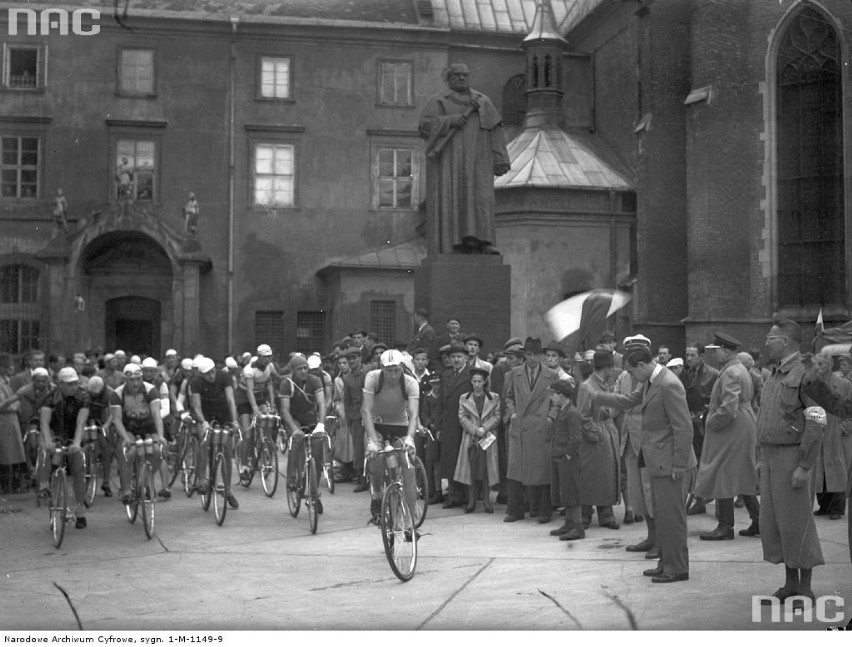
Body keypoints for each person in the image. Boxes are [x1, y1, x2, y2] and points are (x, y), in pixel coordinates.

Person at [594, 345, 696, 584]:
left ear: (641, 365)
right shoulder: (651, 380)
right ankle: (666, 563)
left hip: (670, 463)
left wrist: (679, 465)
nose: (631, 377)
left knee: (672, 518)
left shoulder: (669, 384)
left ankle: (677, 568)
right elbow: (630, 399)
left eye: (632, 372)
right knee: (662, 515)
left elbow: (683, 428)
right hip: (657, 460)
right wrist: (597, 395)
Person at [750, 320, 826, 601]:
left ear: (786, 341)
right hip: (771, 458)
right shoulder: (774, 373)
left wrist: (805, 466)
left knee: (798, 522)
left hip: (792, 458)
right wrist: (761, 457)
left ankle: (805, 587)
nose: (767, 342)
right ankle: (790, 582)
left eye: (771, 337)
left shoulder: (806, 373)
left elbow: (817, 420)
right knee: (776, 524)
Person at [419, 62, 510, 254]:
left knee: (482, 197)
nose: (461, 78)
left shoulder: (482, 101)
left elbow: (495, 130)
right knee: (454, 197)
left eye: (465, 75)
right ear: (448, 78)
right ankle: (456, 243)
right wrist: (448, 120)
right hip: (451, 162)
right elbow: (424, 126)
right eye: (457, 75)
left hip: (479, 160)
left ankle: (485, 242)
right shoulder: (439, 100)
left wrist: (500, 157)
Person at [692, 332, 759, 541]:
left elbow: (729, 407)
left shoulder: (730, 372)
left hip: (731, 427)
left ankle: (725, 526)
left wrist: (712, 422)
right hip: (741, 424)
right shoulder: (739, 368)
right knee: (740, 473)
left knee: (723, 472)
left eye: (717, 350)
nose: (715, 354)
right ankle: (759, 521)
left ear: (726, 351)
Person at [502, 337, 558, 523]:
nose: (531, 358)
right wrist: (513, 413)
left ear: (541, 356)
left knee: (543, 470)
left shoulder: (551, 374)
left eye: (535, 354)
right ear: (524, 355)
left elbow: (558, 399)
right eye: (528, 354)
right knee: (516, 470)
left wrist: (551, 417)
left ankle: (544, 511)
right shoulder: (514, 373)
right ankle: (515, 510)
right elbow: (508, 397)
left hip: (542, 427)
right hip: (520, 427)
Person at [362, 349, 420, 522]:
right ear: (382, 368)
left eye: (396, 370)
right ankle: (377, 492)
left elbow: (414, 414)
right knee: (377, 458)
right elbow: (366, 410)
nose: (393, 375)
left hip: (400, 426)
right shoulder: (373, 378)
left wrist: (410, 438)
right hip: (376, 424)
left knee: (408, 466)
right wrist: (372, 441)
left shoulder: (410, 382)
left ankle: (410, 522)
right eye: (389, 370)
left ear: (402, 367)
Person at [615, 335, 656, 556]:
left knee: (652, 492)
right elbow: (617, 401)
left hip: (649, 442)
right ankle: (650, 536)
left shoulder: (655, 377)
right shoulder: (624, 375)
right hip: (630, 441)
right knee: (638, 491)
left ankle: (659, 539)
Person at [39, 368, 90, 529]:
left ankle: (80, 509)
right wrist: (48, 442)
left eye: (75, 383)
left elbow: (81, 423)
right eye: (69, 384)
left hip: (73, 433)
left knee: (78, 470)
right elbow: (45, 423)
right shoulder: (50, 397)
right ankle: (44, 485)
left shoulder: (84, 396)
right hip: (55, 432)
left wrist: (76, 443)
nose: (73, 387)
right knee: (44, 449)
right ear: (60, 384)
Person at [576, 350, 621, 530]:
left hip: (607, 434)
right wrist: (595, 434)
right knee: (590, 476)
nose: (614, 370)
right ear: (607, 368)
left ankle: (606, 513)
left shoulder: (603, 385)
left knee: (606, 476)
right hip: (595, 437)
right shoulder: (587, 387)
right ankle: (585, 514)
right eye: (612, 367)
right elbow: (582, 415)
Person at [188, 357, 240, 509]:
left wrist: (234, 421)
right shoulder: (195, 382)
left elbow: (231, 400)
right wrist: (203, 422)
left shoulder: (224, 377)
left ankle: (228, 490)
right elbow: (196, 406)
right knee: (203, 440)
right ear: (201, 374)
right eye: (207, 374)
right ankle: (202, 479)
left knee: (227, 450)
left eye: (212, 372)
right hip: (204, 413)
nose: (211, 376)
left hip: (223, 412)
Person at [111, 363, 166, 504]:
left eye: (138, 379)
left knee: (157, 452)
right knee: (128, 453)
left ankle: (146, 480)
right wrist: (124, 437)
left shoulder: (151, 390)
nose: (135, 383)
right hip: (129, 428)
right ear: (125, 380)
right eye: (131, 380)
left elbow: (156, 415)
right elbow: (117, 419)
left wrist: (160, 435)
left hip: (149, 427)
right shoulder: (117, 394)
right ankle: (127, 490)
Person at [808, 350, 851, 521]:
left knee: (837, 470)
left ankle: (837, 508)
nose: (818, 368)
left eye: (822, 364)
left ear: (830, 365)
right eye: (816, 364)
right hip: (819, 430)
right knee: (820, 470)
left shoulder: (844, 384)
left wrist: (844, 427)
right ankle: (824, 505)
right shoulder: (813, 384)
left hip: (837, 432)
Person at [280, 354, 326, 510]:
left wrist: (321, 424)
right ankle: (292, 477)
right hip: (293, 419)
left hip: (311, 419)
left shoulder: (315, 380)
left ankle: (313, 492)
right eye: (300, 369)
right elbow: (285, 410)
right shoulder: (287, 384)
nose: (304, 371)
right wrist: (294, 429)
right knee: (297, 440)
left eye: (306, 367)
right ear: (292, 370)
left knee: (318, 450)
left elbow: (321, 403)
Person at [681, 341, 719, 516]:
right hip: (687, 421)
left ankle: (714, 499)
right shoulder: (683, 372)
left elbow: (714, 400)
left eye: (692, 355)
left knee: (708, 462)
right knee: (694, 462)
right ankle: (699, 498)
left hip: (703, 422)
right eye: (687, 355)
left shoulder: (712, 374)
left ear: (701, 356)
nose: (689, 358)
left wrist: (702, 416)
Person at [433, 341, 473, 508]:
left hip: (465, 423)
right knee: (449, 460)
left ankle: (467, 496)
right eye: (453, 357)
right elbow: (441, 402)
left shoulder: (472, 375)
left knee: (465, 459)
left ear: (466, 358)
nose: (456, 360)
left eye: (459, 356)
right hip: (449, 423)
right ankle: (454, 495)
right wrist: (438, 427)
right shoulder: (446, 375)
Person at [455, 368, 499, 513]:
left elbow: (497, 416)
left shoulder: (494, 397)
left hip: (487, 437)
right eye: (474, 381)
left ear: (485, 381)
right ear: (471, 382)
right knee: (470, 469)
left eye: (480, 381)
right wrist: (474, 430)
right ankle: (471, 501)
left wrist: (484, 428)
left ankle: (487, 500)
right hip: (470, 437)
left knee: (486, 470)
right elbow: (462, 417)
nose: (477, 384)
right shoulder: (464, 398)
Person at [547, 380, 585, 540]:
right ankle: (569, 523)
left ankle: (578, 526)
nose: (551, 397)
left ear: (561, 395)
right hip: (560, 458)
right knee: (565, 492)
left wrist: (567, 455)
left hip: (567, 459)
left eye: (553, 394)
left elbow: (576, 438)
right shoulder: (563, 410)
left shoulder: (571, 413)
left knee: (572, 492)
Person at [235, 345, 278, 479]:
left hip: (259, 397)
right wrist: (254, 409)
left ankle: (264, 443)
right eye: (265, 357)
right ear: (258, 357)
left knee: (268, 420)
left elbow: (270, 385)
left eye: (269, 357)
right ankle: (243, 466)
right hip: (244, 399)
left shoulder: (270, 367)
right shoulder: (249, 370)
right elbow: (249, 391)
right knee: (248, 433)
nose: (267, 359)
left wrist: (272, 404)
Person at [342, 346, 372, 492]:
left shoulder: (370, 370)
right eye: (349, 359)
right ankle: (362, 478)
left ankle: (376, 476)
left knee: (374, 444)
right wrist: (348, 419)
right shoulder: (347, 378)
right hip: (356, 416)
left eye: (354, 358)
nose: (352, 361)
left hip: (372, 413)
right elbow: (346, 401)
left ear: (360, 358)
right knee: (358, 448)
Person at [0, 353, 25, 493]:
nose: (12, 368)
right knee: (6, 455)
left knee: (12, 455)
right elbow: (2, 405)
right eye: (8, 366)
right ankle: (6, 485)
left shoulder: (8, 381)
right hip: (4, 421)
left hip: (12, 420)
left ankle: (11, 484)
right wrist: (15, 399)